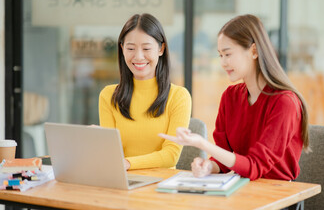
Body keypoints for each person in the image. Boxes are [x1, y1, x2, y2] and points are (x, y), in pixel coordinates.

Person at [159, 14, 309, 181]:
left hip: (278, 198)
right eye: (220, 55)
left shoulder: (284, 102)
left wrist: (202, 144)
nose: (223, 63)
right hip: (242, 191)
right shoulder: (230, 97)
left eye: (228, 54)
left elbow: (255, 166)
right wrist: (209, 166)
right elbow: (223, 160)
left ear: (253, 51)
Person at [99, 13, 191, 170]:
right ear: (122, 49)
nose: (138, 56)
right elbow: (111, 154)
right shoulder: (108, 96)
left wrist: (128, 163)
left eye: (146, 48)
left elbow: (171, 156)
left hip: (161, 187)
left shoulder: (178, 96)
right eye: (130, 48)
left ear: (161, 49)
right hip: (122, 183)